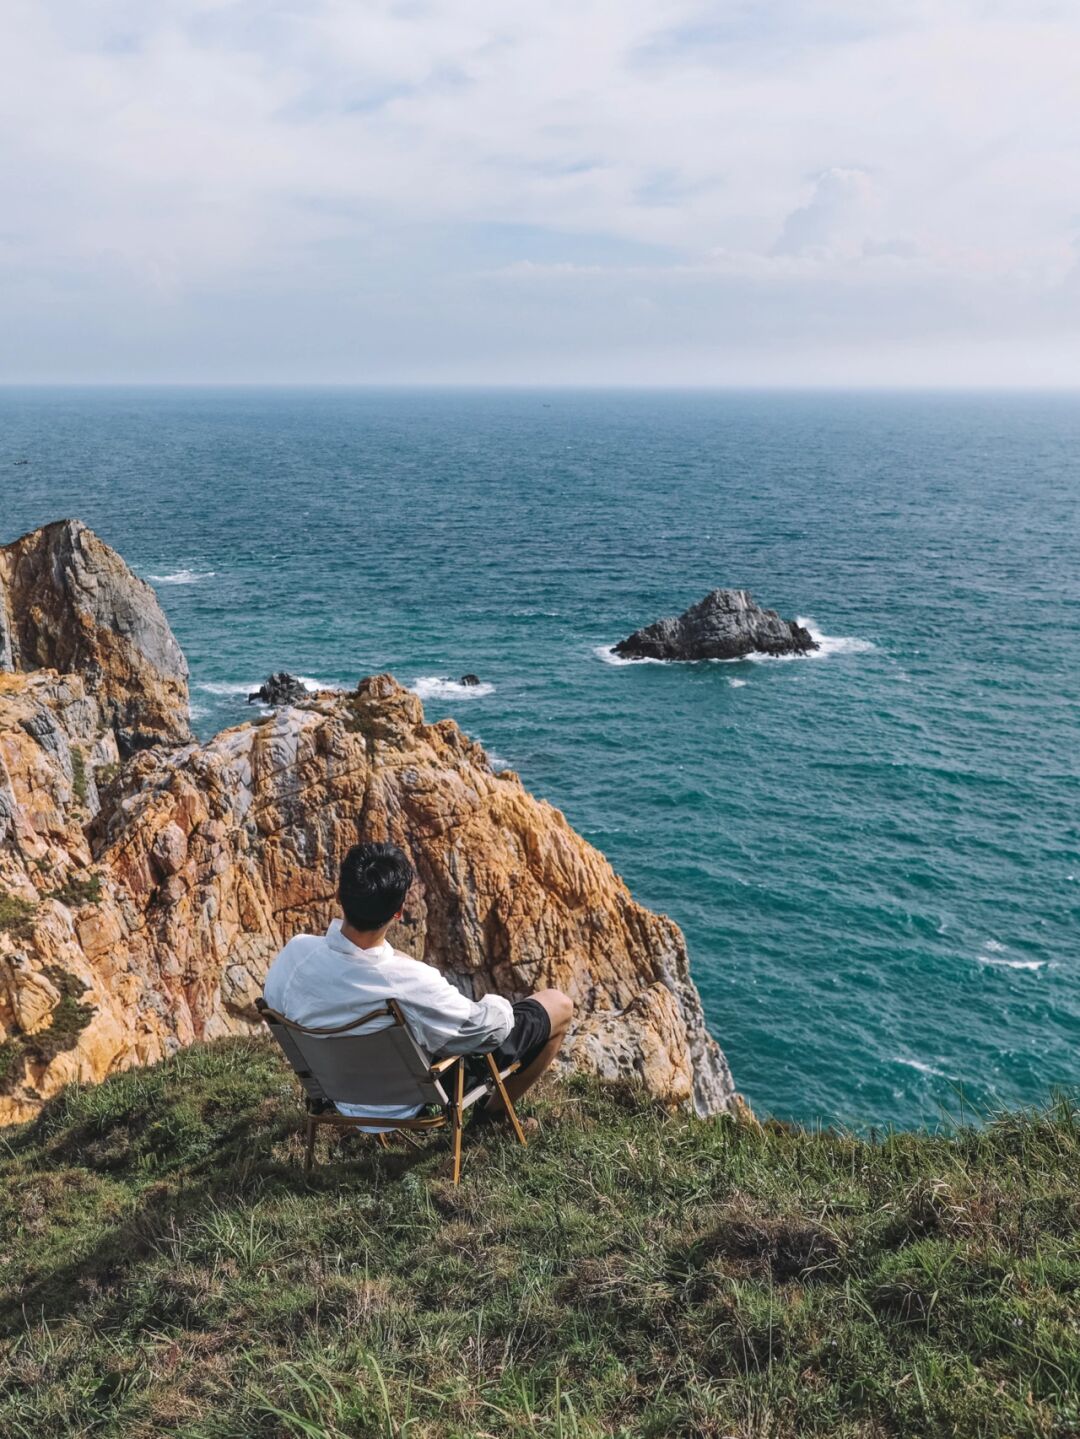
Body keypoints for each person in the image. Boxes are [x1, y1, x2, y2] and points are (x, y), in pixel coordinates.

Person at [263, 841, 573, 1131]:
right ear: (397, 913)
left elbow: (275, 1002)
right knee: (558, 1004)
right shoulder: (409, 980)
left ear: (339, 897)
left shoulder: (295, 954)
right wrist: (495, 1003)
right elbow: (487, 1032)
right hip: (406, 1103)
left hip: (338, 1094)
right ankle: (494, 1119)